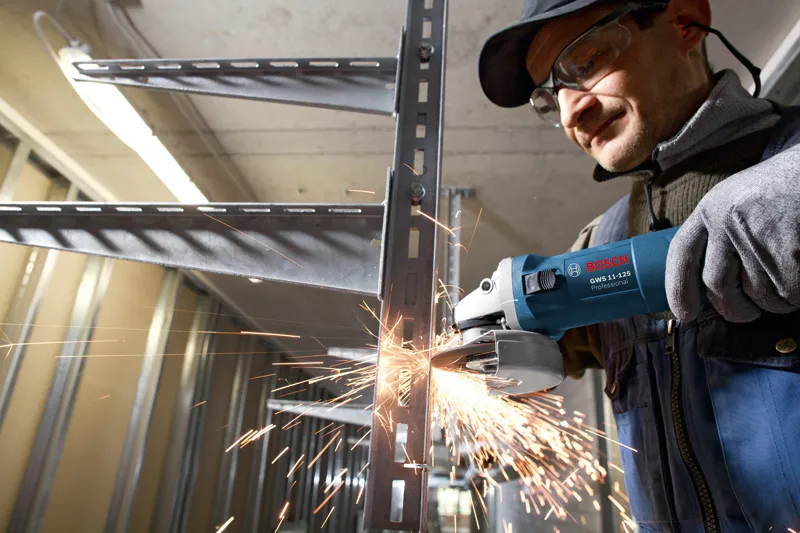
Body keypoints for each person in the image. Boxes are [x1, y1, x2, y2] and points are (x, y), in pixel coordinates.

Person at [478, 0, 800, 531]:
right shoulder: (600, 243)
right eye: (550, 96)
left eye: (585, 61)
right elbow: (539, 352)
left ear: (685, 21)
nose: (570, 113)